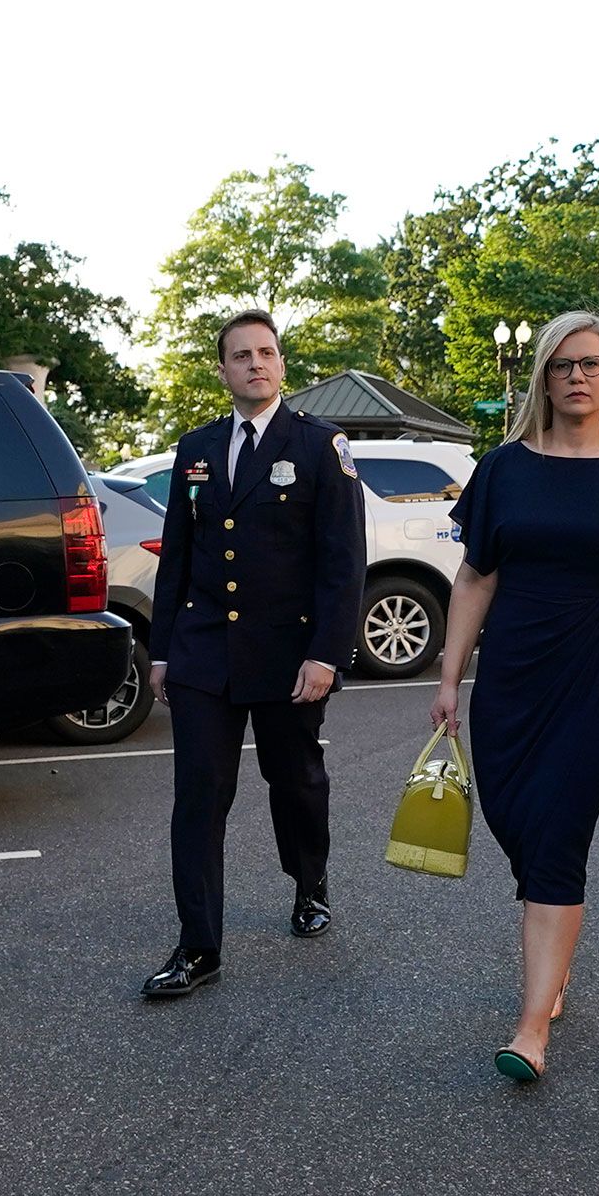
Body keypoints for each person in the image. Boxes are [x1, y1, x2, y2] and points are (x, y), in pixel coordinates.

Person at [430, 312, 599, 1083]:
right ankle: (556, 954)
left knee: (556, 836)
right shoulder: (504, 467)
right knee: (515, 820)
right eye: (561, 366)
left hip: (598, 680)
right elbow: (476, 577)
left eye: (593, 363)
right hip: (511, 678)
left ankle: (529, 1025)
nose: (577, 377)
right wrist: (448, 678)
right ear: (543, 377)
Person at [138, 310, 366, 999]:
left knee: (294, 779)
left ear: (282, 364)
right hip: (206, 651)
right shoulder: (197, 448)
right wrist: (161, 651)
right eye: (240, 355)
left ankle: (309, 880)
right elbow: (177, 553)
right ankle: (198, 945)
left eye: (265, 352)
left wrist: (326, 652)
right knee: (199, 798)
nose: (254, 364)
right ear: (223, 369)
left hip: (288, 652)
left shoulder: (322, 446)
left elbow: (342, 562)